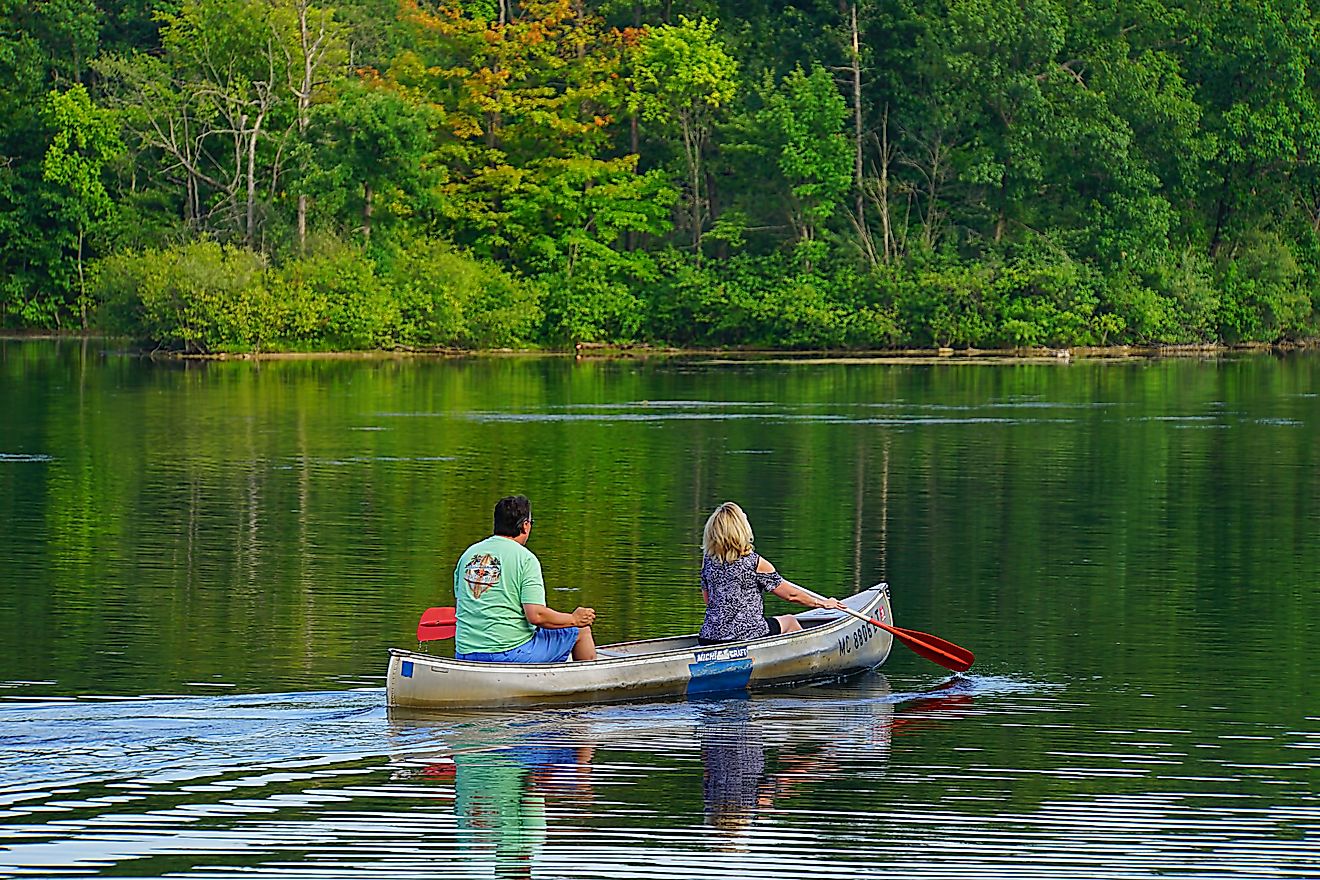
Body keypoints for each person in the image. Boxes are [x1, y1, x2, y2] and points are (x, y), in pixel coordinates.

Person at [454, 495, 596, 662]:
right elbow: (536, 616)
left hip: (465, 654)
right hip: (508, 654)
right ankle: (588, 685)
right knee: (581, 630)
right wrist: (574, 619)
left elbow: (463, 603)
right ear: (525, 526)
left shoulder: (468, 555)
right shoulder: (526, 559)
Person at [698, 501, 845, 645]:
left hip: (709, 637)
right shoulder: (755, 563)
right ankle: (813, 656)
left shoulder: (708, 561)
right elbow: (791, 596)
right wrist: (823, 603)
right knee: (789, 621)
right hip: (748, 635)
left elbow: (709, 601)